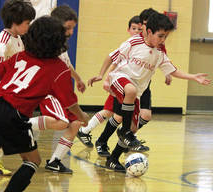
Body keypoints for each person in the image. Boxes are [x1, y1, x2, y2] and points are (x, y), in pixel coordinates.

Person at [0, 16, 88, 192]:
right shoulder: (58, 68)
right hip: (14, 114)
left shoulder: (20, 56)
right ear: (58, 40)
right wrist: (83, 116)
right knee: (33, 161)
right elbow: (70, 103)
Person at [103, 12, 210, 172]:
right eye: (160, 36)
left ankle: (113, 158)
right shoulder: (134, 42)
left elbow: (173, 71)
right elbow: (113, 56)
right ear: (149, 32)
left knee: (134, 127)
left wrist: (193, 77)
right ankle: (123, 132)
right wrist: (103, 76)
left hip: (135, 93)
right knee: (130, 91)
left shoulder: (159, 54)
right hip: (120, 79)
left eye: (165, 37)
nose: (163, 40)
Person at [77, 15, 149, 155]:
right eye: (134, 28)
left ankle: (89, 133)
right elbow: (115, 61)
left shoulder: (143, 44)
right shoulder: (130, 44)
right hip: (121, 83)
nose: (136, 31)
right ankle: (101, 138)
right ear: (128, 29)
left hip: (132, 85)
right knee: (113, 112)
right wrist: (106, 78)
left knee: (113, 113)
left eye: (139, 29)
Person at [27, 5, 87, 174]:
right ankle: (21, 124)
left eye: (73, 28)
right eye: (68, 28)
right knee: (63, 123)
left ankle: (55, 161)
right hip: (48, 92)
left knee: (75, 123)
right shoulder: (48, 46)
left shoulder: (62, 46)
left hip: (59, 92)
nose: (72, 32)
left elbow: (67, 65)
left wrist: (78, 79)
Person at [0, 0, 36, 176]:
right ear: (16, 22)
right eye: (27, 23)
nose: (29, 26)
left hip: (5, 88)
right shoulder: (2, 42)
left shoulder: (18, 39)